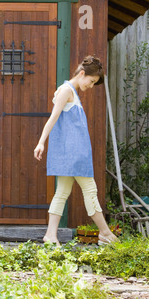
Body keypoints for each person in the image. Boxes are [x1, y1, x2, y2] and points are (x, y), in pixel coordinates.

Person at [34, 55, 118, 246]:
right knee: (90, 190)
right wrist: (41, 142)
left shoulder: (72, 92)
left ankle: (50, 235)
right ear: (82, 74)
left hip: (73, 155)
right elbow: (53, 118)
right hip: (73, 156)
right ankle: (105, 233)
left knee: (62, 192)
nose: (90, 86)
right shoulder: (66, 90)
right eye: (91, 81)